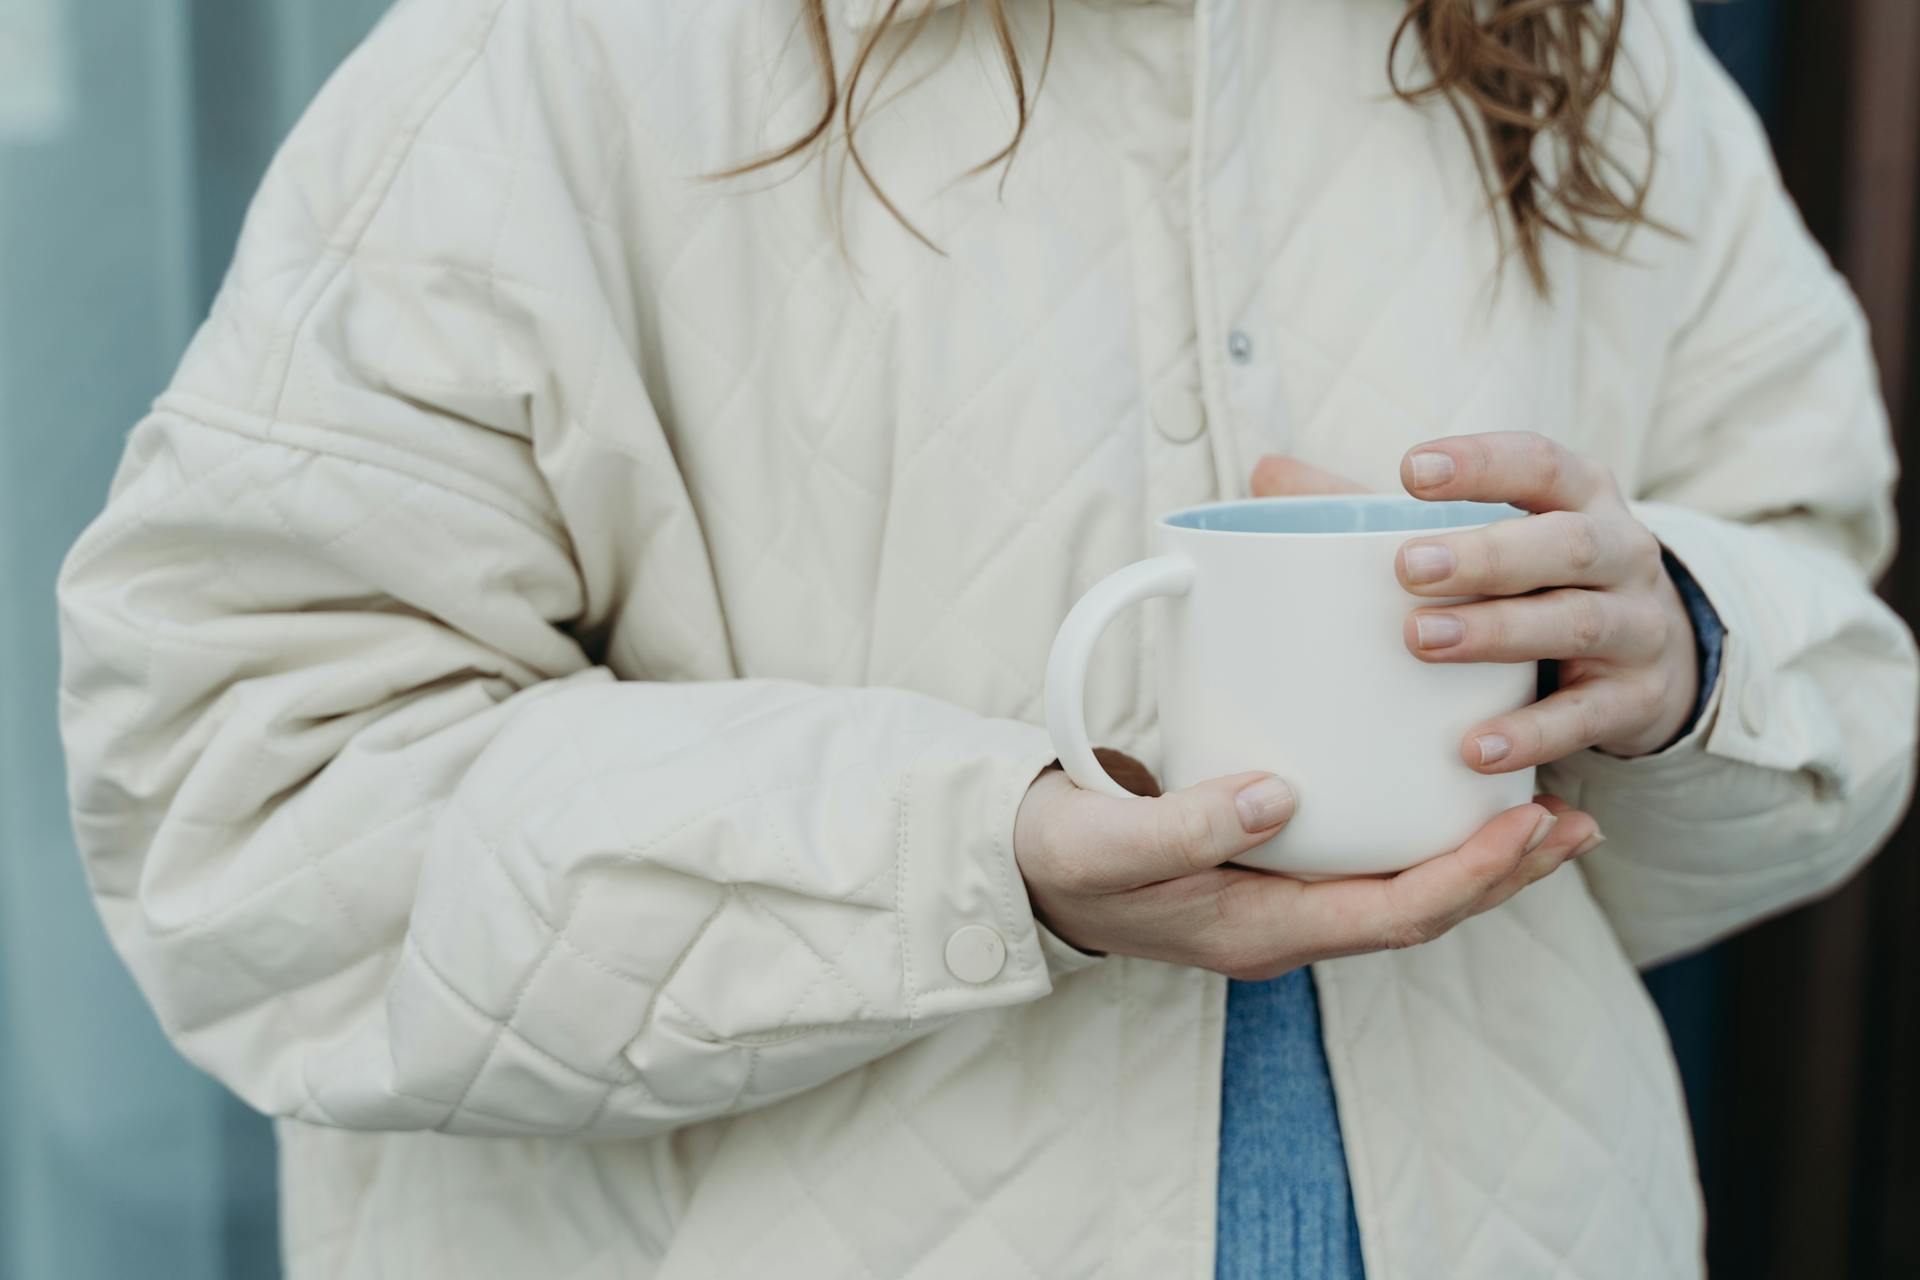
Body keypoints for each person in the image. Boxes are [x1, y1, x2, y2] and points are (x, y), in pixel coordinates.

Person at [55, 0, 1916, 1276]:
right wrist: (978, 855)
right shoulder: (557, 53)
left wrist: (1680, 643)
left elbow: (1821, 595)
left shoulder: (1598, 41)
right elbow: (255, 801)